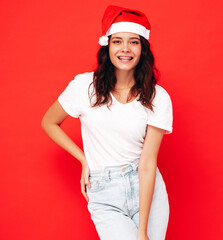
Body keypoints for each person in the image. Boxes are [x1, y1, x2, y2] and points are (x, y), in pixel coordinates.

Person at [41, 5, 172, 240]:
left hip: (147, 189)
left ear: (143, 49)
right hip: (104, 191)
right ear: (107, 45)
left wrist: (142, 232)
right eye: (117, 41)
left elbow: (147, 164)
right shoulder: (85, 87)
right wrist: (83, 159)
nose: (125, 49)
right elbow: (49, 122)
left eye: (134, 42)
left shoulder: (157, 96)